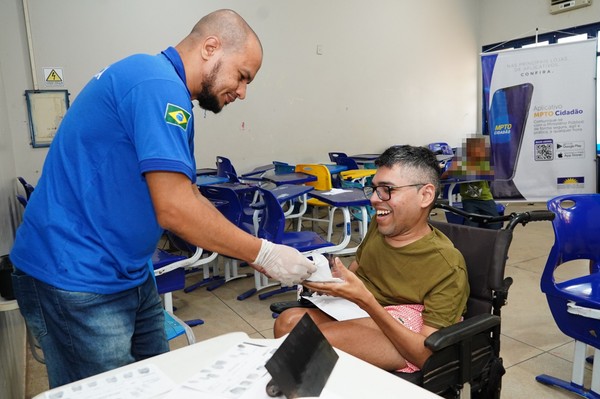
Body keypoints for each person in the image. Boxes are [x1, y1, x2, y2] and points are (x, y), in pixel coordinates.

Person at [10, 9, 316, 388]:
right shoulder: (157, 87)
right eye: (242, 75)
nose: (242, 91)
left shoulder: (157, 84)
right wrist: (262, 254)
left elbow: (186, 194)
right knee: (106, 391)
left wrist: (262, 249)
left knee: (156, 381)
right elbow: (174, 209)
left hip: (128, 271)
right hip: (77, 276)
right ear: (210, 47)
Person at [274, 145, 469, 372]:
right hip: (363, 310)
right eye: (374, 189)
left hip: (406, 329)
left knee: (304, 344)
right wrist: (333, 283)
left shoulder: (447, 265)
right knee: (286, 323)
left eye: (387, 190)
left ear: (425, 195)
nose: (375, 200)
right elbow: (359, 267)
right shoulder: (381, 224)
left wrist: (365, 300)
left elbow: (426, 355)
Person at [444, 135, 503, 229]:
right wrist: (454, 169)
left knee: (495, 223)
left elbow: (490, 172)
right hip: (469, 200)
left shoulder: (484, 163)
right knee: (471, 224)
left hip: (485, 199)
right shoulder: (461, 164)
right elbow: (445, 175)